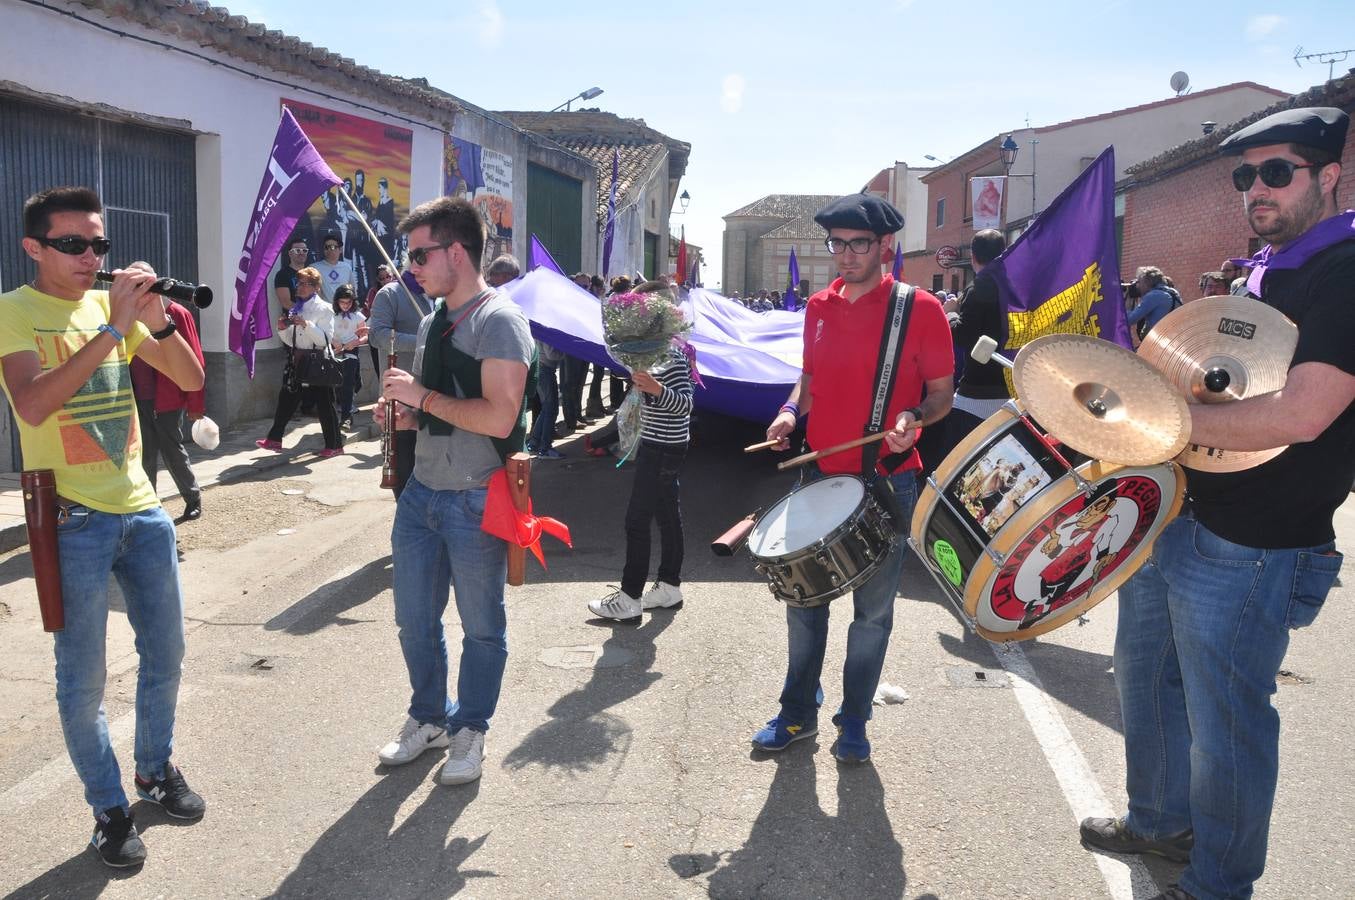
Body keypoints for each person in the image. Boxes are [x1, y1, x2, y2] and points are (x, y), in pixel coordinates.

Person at [1078, 107, 1355, 900]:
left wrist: (1162, 420)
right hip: (1178, 517)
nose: (1254, 190)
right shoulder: (1268, 269)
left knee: (1226, 732)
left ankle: (1217, 884)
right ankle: (1159, 825)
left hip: (1256, 544)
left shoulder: (1342, 271)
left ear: (1327, 174)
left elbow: (1303, 413)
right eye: (1244, 176)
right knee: (1144, 683)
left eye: (1276, 173)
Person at [0, 186, 207, 867]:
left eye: (99, 244)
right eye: (73, 244)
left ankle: (153, 768)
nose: (91, 257)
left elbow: (188, 374)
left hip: (141, 509)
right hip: (70, 520)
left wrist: (157, 318)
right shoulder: (13, 313)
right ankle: (109, 809)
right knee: (82, 679)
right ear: (34, 247)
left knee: (167, 654)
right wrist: (115, 330)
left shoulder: (109, 303)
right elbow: (32, 405)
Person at [754, 193, 954, 763]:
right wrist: (791, 412)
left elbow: (941, 395)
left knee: (872, 615)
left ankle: (855, 720)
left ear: (885, 247)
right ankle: (797, 714)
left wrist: (914, 420)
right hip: (818, 472)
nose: (845, 256)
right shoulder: (818, 306)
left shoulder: (919, 310)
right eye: (836, 244)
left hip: (888, 479)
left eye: (857, 244)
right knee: (803, 603)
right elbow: (809, 379)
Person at [375, 196, 536, 786]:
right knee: (414, 622)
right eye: (409, 254)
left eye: (420, 254)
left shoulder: (501, 321)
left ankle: (471, 728)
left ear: (457, 252)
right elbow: (442, 410)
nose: (410, 266)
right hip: (421, 493)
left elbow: (499, 418)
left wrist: (419, 398)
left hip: (476, 497)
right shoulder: (431, 320)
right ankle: (429, 719)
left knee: (481, 627)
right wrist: (405, 414)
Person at [587, 282, 695, 622]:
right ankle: (669, 586)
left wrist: (656, 388)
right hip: (664, 443)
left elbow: (686, 405)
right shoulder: (659, 352)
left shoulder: (672, 356)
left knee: (637, 520)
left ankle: (630, 597)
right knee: (667, 516)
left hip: (663, 447)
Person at [926, 228, 1010, 471]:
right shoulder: (1014, 287)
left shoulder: (981, 286)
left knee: (954, 464)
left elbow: (964, 335)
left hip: (977, 392)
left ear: (973, 257)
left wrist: (950, 312)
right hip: (1009, 385)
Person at [130, 292, 207, 520]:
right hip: (136, 397)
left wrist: (196, 404)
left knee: (172, 450)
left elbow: (195, 358)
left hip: (166, 398)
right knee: (143, 455)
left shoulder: (175, 313)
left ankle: (193, 498)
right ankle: (148, 507)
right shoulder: (128, 313)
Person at [255, 267, 344, 457]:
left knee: (324, 404)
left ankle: (335, 444)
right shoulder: (297, 307)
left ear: (316, 287)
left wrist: (306, 324)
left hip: (318, 360)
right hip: (298, 358)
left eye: (306, 284)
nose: (300, 287)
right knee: (287, 397)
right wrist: (282, 329)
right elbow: (292, 340)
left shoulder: (324, 308)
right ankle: (275, 438)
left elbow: (325, 339)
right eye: (299, 283)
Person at [368, 268, 436, 498]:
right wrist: (425, 342)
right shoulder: (390, 294)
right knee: (407, 486)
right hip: (401, 405)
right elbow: (377, 335)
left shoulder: (441, 295)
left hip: (434, 401)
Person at [330, 283, 367, 429]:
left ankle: (346, 412)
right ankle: (345, 413)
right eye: (342, 302)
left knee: (351, 383)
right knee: (341, 384)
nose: (345, 305)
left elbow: (365, 336)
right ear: (337, 302)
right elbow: (326, 332)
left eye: (348, 302)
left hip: (351, 352)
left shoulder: (358, 316)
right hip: (335, 352)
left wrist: (355, 342)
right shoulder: (331, 315)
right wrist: (334, 342)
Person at [1127, 266, 1179, 346]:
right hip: (1172, 341)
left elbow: (1130, 319)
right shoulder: (1173, 293)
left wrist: (1120, 307)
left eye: (1139, 282)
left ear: (1147, 282)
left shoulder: (1153, 296)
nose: (1138, 286)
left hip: (1156, 343)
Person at [314, 231, 354, 302]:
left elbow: (352, 290)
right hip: (325, 311)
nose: (329, 250)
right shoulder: (315, 268)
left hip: (343, 310)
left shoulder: (347, 267)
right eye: (326, 247)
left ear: (340, 249)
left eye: (332, 247)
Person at [275, 236, 310, 312]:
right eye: (297, 250)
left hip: (314, 321)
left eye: (304, 250)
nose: (301, 253)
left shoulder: (312, 273)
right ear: (290, 253)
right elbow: (286, 303)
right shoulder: (282, 275)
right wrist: (306, 313)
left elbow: (318, 296)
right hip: (293, 321)